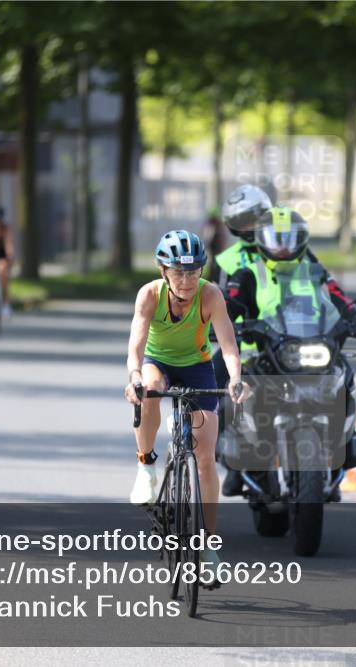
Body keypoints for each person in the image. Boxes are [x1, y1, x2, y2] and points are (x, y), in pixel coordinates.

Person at [215, 205, 356, 497]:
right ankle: (236, 460)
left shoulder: (315, 270)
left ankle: (343, 445)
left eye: (288, 239)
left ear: (300, 239)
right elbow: (231, 304)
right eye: (276, 240)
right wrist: (224, 322)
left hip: (309, 347)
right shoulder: (247, 273)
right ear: (262, 240)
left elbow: (338, 298)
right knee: (229, 392)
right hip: (260, 353)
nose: (283, 247)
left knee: (344, 374)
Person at [124, 230, 249, 572]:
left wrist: (236, 377)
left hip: (197, 367)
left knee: (206, 457)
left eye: (193, 271)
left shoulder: (210, 295)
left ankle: (208, 547)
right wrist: (134, 376)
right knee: (150, 388)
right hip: (157, 362)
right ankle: (146, 467)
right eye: (179, 272)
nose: (187, 279)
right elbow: (136, 345)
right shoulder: (149, 295)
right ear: (163, 271)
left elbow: (227, 347)